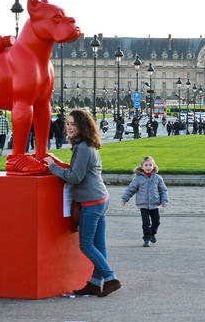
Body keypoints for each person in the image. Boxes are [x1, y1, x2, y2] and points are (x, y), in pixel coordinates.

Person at [43, 109, 121, 297]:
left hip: (92, 202)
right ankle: (95, 283)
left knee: (86, 244)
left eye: (73, 124)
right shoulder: (86, 145)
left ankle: (111, 278)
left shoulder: (83, 148)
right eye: (68, 124)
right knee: (99, 245)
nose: (69, 127)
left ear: (82, 126)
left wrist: (52, 167)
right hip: (100, 199)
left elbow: (76, 177)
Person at [120, 155, 169, 247]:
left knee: (156, 222)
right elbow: (131, 189)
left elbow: (163, 190)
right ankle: (146, 239)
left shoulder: (158, 178)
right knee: (146, 223)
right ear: (142, 167)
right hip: (143, 205)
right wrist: (124, 199)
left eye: (150, 165)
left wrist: (164, 201)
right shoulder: (138, 179)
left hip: (154, 204)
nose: (148, 167)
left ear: (153, 166)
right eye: (146, 165)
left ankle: (152, 234)